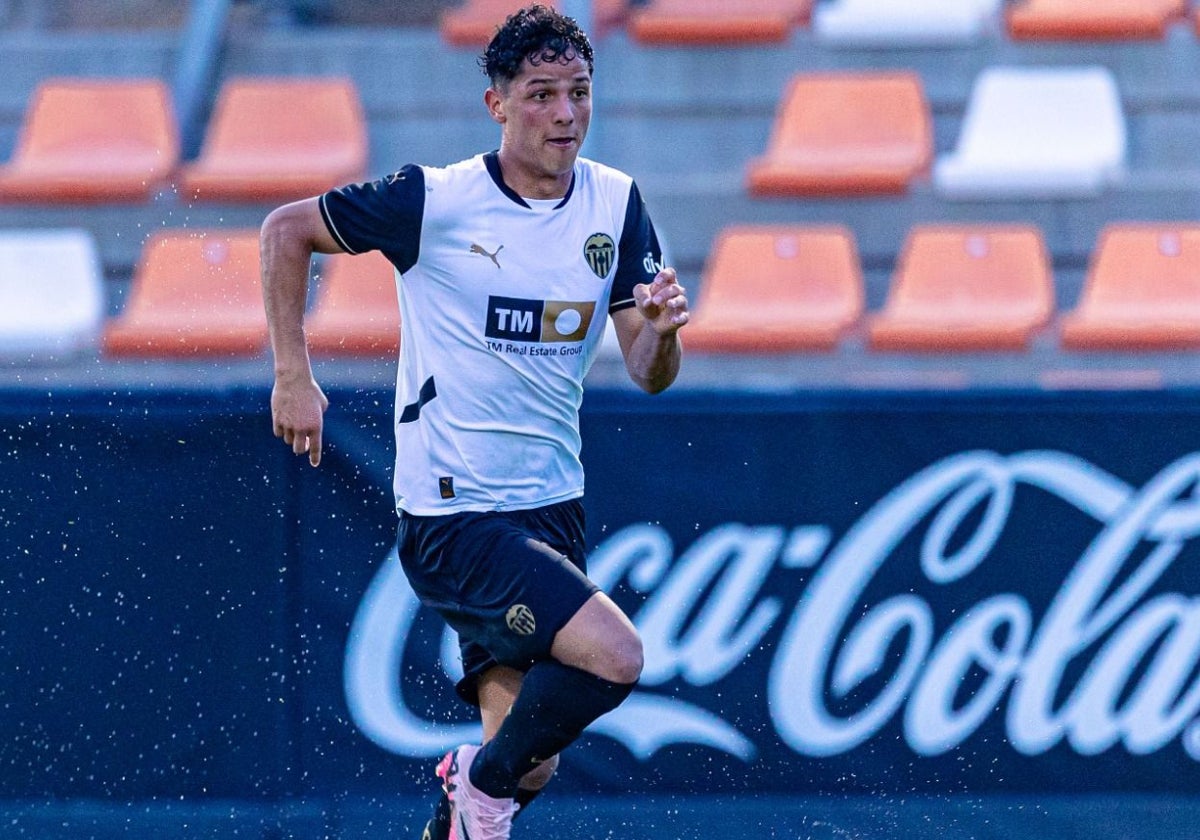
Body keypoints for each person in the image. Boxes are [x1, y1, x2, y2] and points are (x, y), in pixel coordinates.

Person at [260, 5, 688, 839]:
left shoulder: (616, 204)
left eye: (579, 93)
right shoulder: (435, 201)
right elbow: (285, 232)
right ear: (497, 104)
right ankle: (474, 792)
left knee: (530, 761)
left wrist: (665, 335)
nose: (565, 114)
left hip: (551, 506)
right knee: (616, 656)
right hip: (455, 514)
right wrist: (291, 374)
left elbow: (648, 372)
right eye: (541, 95)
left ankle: (466, 804)